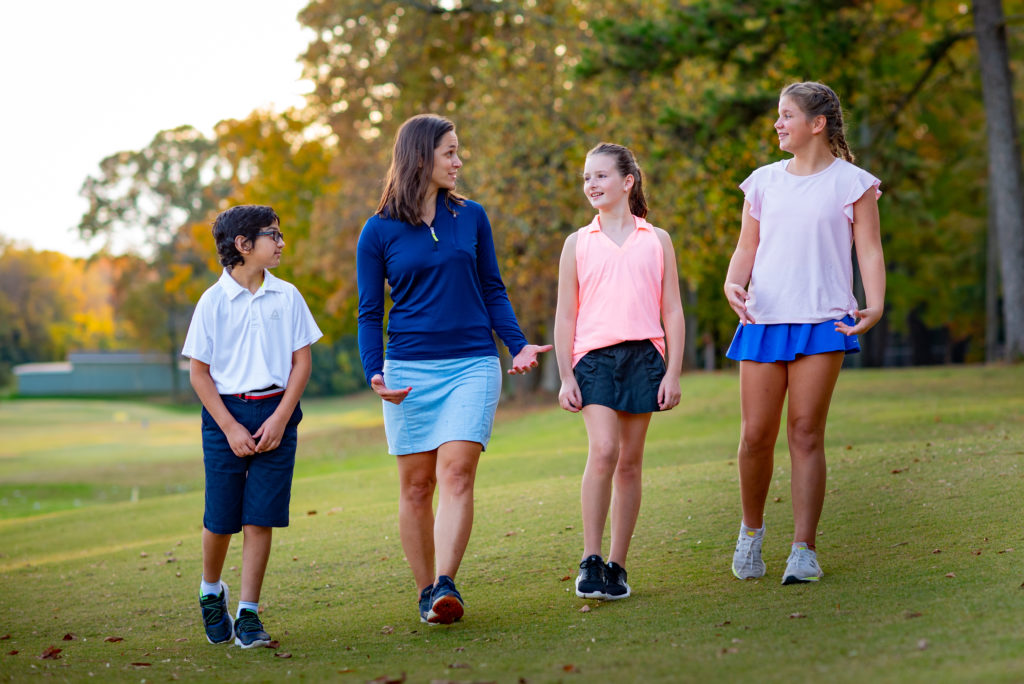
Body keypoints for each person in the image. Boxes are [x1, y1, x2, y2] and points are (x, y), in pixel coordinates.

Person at [356, 113, 551, 625]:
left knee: (457, 473)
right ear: (421, 157)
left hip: (471, 363)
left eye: (458, 151)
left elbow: (492, 287)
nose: (459, 161)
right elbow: (369, 312)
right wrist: (375, 372)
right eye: (450, 152)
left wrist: (516, 344)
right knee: (417, 487)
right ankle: (426, 592)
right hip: (407, 372)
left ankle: (446, 582)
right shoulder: (377, 231)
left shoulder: (473, 216)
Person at [723, 81, 885, 585]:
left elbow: (870, 251)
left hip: (823, 321)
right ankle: (751, 535)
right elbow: (747, 248)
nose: (778, 123)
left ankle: (803, 549)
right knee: (755, 437)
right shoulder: (763, 182)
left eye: (787, 115)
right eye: (778, 114)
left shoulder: (853, 183)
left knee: (806, 433)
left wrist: (875, 304)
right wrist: (732, 281)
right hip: (764, 320)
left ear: (817, 124)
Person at [182, 205, 322, 647]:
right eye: (273, 235)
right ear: (243, 245)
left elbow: (302, 362)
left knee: (260, 517)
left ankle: (248, 614)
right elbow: (199, 373)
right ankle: (210, 591)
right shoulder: (212, 301)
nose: (281, 243)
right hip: (226, 418)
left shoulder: (289, 296)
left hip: (277, 415)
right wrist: (229, 428)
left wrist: (281, 418)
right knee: (222, 519)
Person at [554, 142, 685, 600]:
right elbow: (565, 316)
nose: (591, 184)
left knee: (630, 462)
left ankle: (617, 566)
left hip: (645, 357)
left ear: (627, 182)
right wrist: (566, 376)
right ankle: (589, 559)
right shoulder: (576, 243)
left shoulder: (658, 240)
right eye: (587, 177)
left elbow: (673, 310)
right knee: (605, 449)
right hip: (593, 360)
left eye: (601, 176)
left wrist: (673, 372)